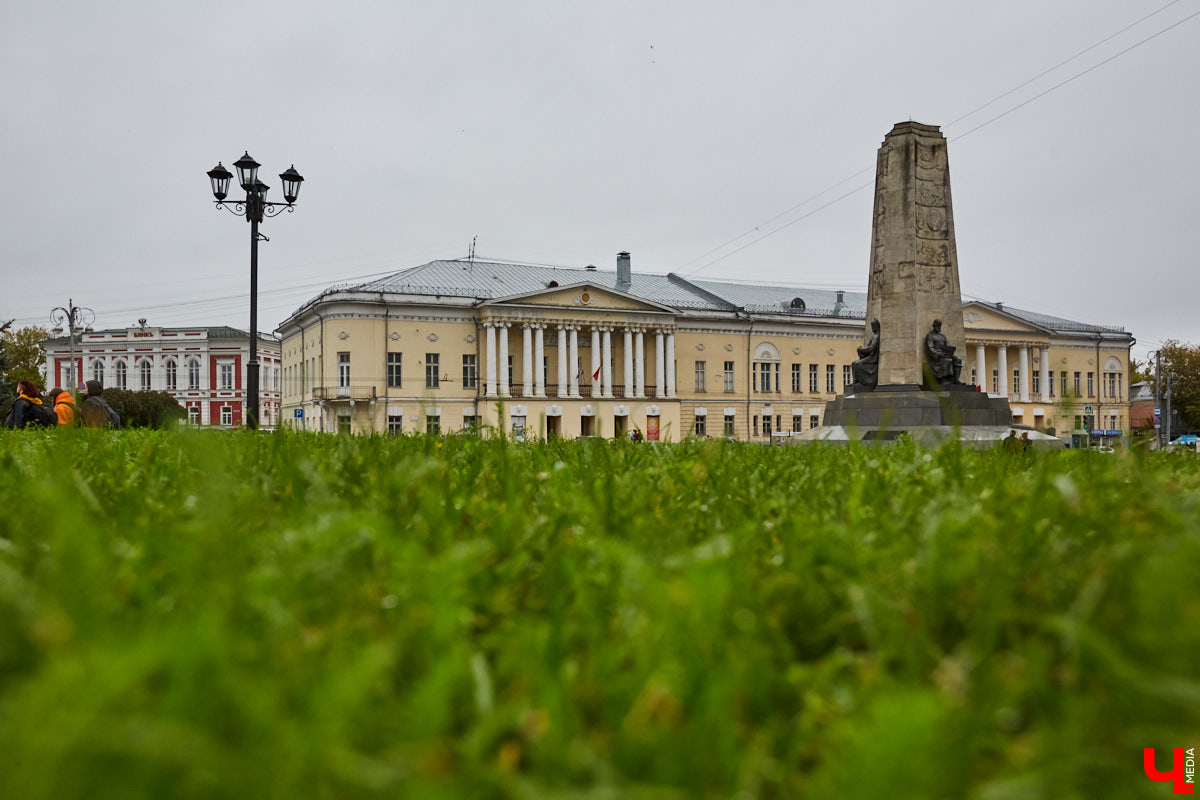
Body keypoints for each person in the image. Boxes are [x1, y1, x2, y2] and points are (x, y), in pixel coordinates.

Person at [924, 319, 962, 385]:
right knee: (947, 360)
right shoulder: (930, 335)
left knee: (957, 359)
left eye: (940, 326)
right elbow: (930, 348)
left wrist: (950, 351)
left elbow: (947, 345)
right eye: (937, 325)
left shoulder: (943, 336)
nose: (939, 327)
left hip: (945, 354)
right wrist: (939, 354)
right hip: (937, 356)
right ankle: (945, 379)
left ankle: (956, 379)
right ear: (934, 325)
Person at [851, 318, 881, 391]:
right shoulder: (874, 336)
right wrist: (862, 351)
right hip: (869, 356)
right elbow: (868, 347)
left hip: (872, 358)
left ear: (876, 326)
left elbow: (871, 348)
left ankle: (864, 382)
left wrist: (861, 350)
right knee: (854, 363)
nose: (871, 328)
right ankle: (856, 382)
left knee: (858, 364)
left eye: (872, 326)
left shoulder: (876, 336)